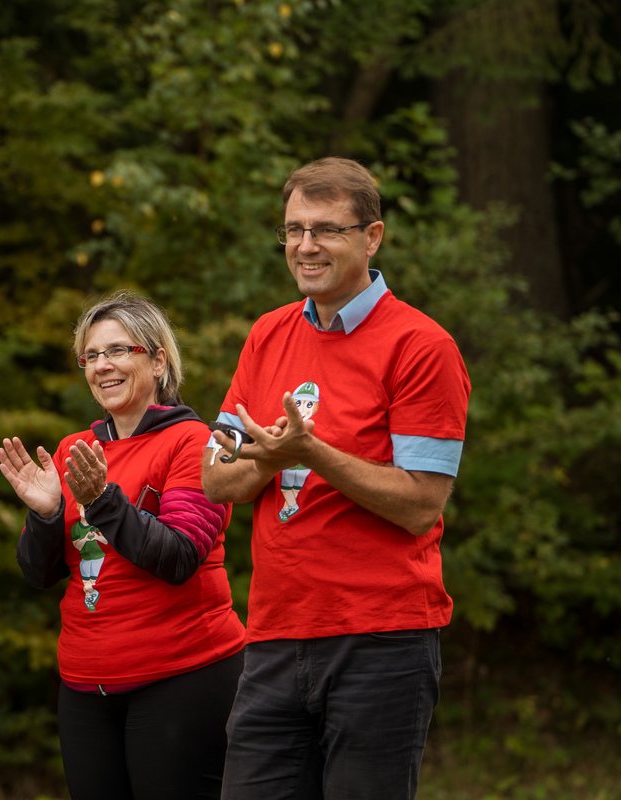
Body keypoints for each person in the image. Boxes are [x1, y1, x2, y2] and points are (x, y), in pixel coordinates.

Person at [201, 157, 472, 800]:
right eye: (294, 230)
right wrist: (274, 458)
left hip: (382, 636)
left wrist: (312, 453)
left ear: (372, 237)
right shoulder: (267, 335)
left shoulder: (422, 345)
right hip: (274, 633)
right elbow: (215, 479)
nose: (305, 246)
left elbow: (421, 504)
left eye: (326, 230)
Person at [0, 291, 246, 800]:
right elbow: (39, 575)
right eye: (90, 356)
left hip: (182, 677)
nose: (101, 365)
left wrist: (102, 500)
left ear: (157, 361)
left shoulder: (194, 442)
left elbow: (179, 557)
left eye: (117, 350)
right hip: (85, 686)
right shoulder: (76, 449)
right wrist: (46, 516)